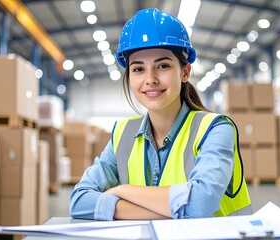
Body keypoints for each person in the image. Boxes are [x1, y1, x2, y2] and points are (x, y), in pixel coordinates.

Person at [69, 8, 252, 220]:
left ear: (185, 72)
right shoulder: (122, 134)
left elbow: (200, 203)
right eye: (138, 69)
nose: (150, 79)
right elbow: (79, 201)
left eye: (162, 66)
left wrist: (123, 190)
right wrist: (170, 211)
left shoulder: (216, 128)